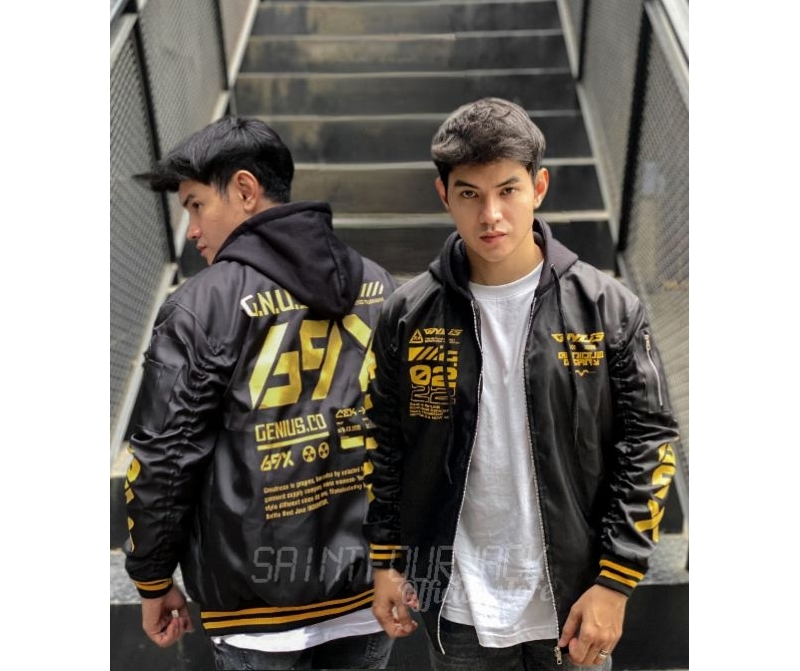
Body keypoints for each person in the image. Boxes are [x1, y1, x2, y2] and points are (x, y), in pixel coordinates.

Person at [363, 98, 681, 670]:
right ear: (444, 196)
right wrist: (386, 560)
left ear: (539, 187)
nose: (491, 215)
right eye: (469, 194)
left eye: (507, 190)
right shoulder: (407, 315)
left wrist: (615, 580)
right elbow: (383, 444)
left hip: (575, 602)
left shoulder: (607, 307)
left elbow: (648, 444)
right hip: (458, 607)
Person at [123, 116, 398, 670]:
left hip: (257, 611)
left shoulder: (201, 306)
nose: (192, 230)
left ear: (245, 190)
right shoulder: (379, 285)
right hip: (368, 597)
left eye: (197, 205)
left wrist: (152, 577)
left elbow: (164, 459)